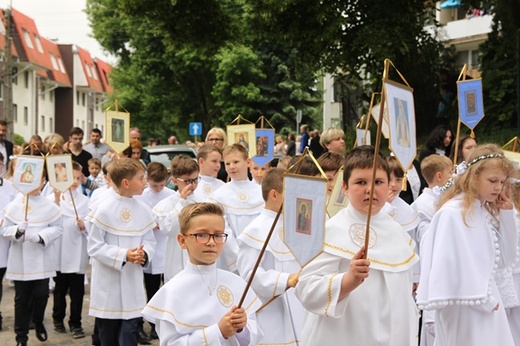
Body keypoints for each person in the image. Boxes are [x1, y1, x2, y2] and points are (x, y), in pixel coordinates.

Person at [295, 145, 419, 345]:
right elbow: (307, 290)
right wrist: (347, 281)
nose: (370, 189)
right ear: (344, 188)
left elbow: (403, 301)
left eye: (378, 182)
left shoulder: (398, 233)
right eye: (360, 182)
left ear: (389, 186)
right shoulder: (331, 231)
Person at [417, 144, 517, 345]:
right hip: (467, 307)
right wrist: (485, 299)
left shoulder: (484, 212)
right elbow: (450, 266)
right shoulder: (452, 214)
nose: (498, 187)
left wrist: (506, 214)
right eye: (492, 180)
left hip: (486, 303)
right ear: (473, 176)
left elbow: (505, 259)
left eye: (502, 181)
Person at [142, 202, 263, 345]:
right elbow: (171, 343)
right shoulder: (172, 291)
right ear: (182, 240)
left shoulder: (236, 283)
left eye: (218, 235)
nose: (211, 242)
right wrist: (217, 332)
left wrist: (242, 328)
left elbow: (254, 336)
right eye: (202, 235)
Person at [87, 158, 156, 346]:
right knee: (108, 337)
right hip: (108, 285)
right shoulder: (103, 210)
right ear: (126, 183)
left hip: (132, 281)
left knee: (129, 334)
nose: (145, 182)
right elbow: (94, 246)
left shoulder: (143, 209)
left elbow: (150, 241)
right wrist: (123, 255)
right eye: (141, 178)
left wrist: (145, 254)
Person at [237, 168, 303, 344]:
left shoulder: (296, 225)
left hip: (300, 305)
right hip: (273, 311)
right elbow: (248, 275)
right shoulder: (255, 230)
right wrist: (285, 280)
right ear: (274, 194)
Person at [1, 173, 63, 346]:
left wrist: (41, 236)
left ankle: (38, 321)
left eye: (40, 181)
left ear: (43, 182)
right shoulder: (14, 205)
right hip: (20, 259)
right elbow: (4, 230)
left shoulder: (49, 205)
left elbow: (58, 228)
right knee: (21, 299)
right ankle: (21, 336)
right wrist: (18, 231)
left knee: (42, 294)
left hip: (41, 258)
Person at [411, 154, 453, 346]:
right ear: (439, 176)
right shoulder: (422, 206)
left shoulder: (444, 200)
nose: (453, 176)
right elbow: (421, 246)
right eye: (451, 172)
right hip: (431, 271)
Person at [134, 162, 175, 342]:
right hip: (145, 246)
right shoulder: (140, 196)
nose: (158, 189)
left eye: (161, 185)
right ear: (147, 179)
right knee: (144, 289)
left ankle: (157, 326)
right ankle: (139, 325)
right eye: (154, 185)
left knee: (162, 290)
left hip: (165, 247)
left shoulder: (172, 195)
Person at [50, 162, 89, 339]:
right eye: (72, 177)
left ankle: (76, 322)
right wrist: (57, 202)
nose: (75, 181)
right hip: (60, 251)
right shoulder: (56, 198)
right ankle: (58, 318)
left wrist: (84, 225)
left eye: (78, 177)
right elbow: (49, 220)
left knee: (77, 291)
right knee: (60, 289)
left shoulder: (85, 201)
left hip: (77, 252)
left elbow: (91, 226)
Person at [209, 144, 263, 241]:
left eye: (236, 162)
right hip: (231, 253)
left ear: (248, 162)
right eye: (227, 164)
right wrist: (237, 253)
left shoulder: (262, 193)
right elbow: (223, 230)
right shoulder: (218, 196)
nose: (232, 167)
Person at [160, 155, 201, 282]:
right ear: (175, 181)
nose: (192, 185)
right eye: (187, 181)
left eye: (195, 180)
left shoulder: (202, 200)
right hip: (176, 260)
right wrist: (182, 202)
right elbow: (168, 229)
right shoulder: (168, 203)